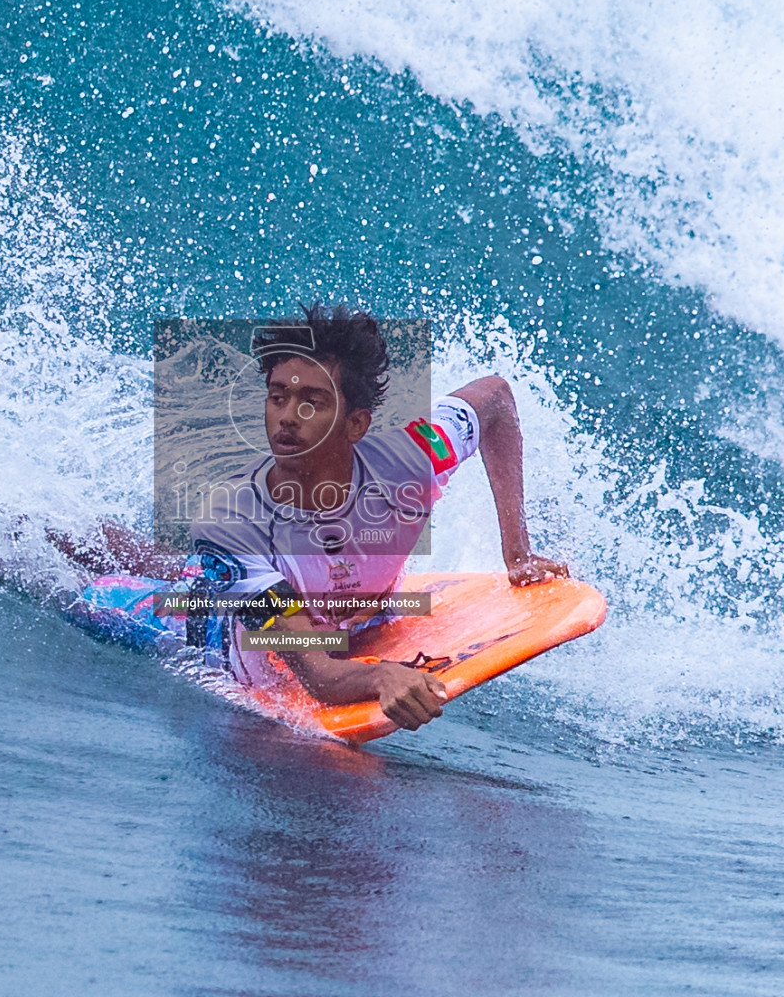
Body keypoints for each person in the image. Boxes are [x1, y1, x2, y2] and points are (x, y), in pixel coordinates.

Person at [55, 304, 567, 731]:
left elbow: (495, 400)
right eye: (278, 397)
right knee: (90, 590)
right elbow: (317, 673)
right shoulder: (233, 528)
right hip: (210, 633)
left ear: (357, 423)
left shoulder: (413, 458)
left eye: (312, 402)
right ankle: (23, 532)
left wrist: (516, 552)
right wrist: (380, 677)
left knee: (182, 567)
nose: (287, 416)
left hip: (303, 597)